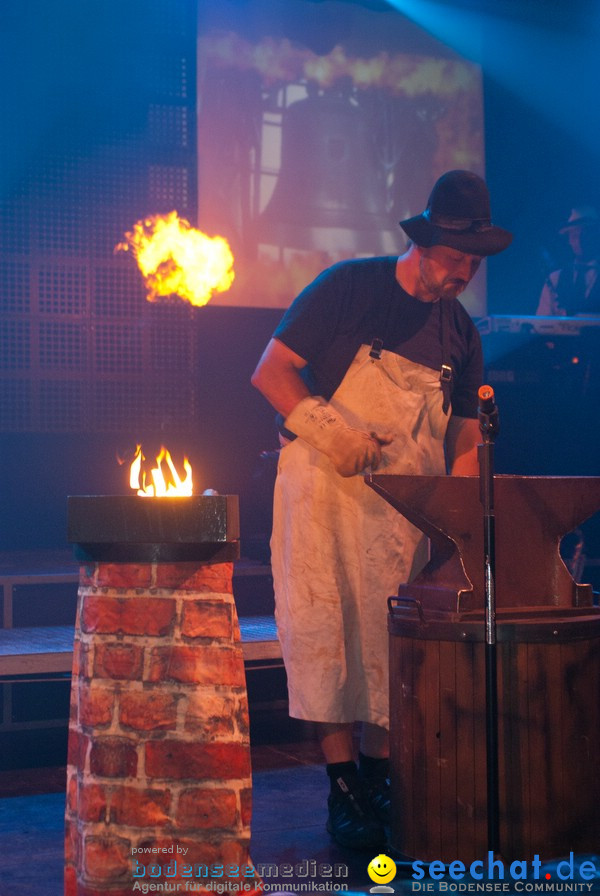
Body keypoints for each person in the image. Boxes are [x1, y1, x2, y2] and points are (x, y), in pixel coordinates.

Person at [251, 170, 512, 850]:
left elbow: (459, 431)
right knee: (329, 638)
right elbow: (271, 370)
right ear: (425, 243)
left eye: (472, 262)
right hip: (325, 499)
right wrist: (331, 430)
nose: (462, 272)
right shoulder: (347, 288)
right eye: (455, 258)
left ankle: (379, 778)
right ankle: (342, 787)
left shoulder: (460, 331)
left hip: (403, 516)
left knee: (391, 648)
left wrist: (458, 498)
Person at [536, 206, 600, 316]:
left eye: (585, 234)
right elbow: (541, 322)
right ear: (569, 240)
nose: (579, 241)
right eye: (574, 235)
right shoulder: (554, 279)